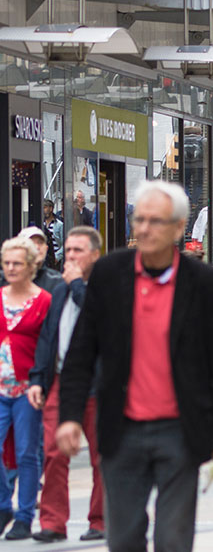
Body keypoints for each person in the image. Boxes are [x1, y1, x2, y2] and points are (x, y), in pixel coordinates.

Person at [56, 181, 213, 552]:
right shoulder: (110, 274)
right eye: (139, 220)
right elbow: (81, 351)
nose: (143, 229)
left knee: (173, 539)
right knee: (123, 539)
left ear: (178, 227)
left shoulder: (206, 285)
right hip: (121, 431)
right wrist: (71, 416)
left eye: (155, 221)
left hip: (180, 432)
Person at [28, 226, 104, 543]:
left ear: (95, 255)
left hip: (97, 382)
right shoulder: (59, 289)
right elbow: (48, 336)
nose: (70, 256)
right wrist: (37, 378)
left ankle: (101, 521)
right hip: (60, 379)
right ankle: (53, 522)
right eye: (68, 250)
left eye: (78, 251)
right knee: (53, 452)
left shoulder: (105, 287)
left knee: (103, 455)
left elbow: (98, 319)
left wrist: (76, 285)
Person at [0, 237, 52, 540]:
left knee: (27, 453)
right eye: (7, 263)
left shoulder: (44, 299)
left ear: (30, 266)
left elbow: (47, 344)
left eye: (17, 263)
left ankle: (24, 516)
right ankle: (4, 505)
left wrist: (41, 381)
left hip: (27, 389)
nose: (11, 268)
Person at [16, 227, 61, 293]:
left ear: (46, 248)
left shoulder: (57, 280)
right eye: (31, 242)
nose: (37, 247)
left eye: (40, 242)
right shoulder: (8, 279)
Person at [40, 200, 63, 270]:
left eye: (45, 207)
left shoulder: (59, 225)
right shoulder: (41, 223)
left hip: (54, 259)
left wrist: (57, 257)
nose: (43, 210)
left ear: (51, 208)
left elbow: (64, 243)